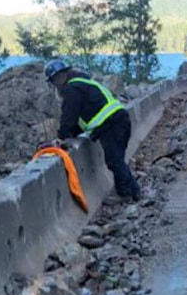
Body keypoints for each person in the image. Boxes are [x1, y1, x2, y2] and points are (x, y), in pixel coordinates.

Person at [44, 59, 141, 201]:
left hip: (111, 124)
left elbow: (69, 116)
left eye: (58, 77)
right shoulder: (83, 83)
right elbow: (81, 120)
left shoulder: (72, 89)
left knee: (115, 161)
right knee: (116, 160)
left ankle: (130, 193)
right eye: (55, 79)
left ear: (64, 75)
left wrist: (62, 137)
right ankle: (127, 191)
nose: (57, 81)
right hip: (119, 121)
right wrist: (71, 134)